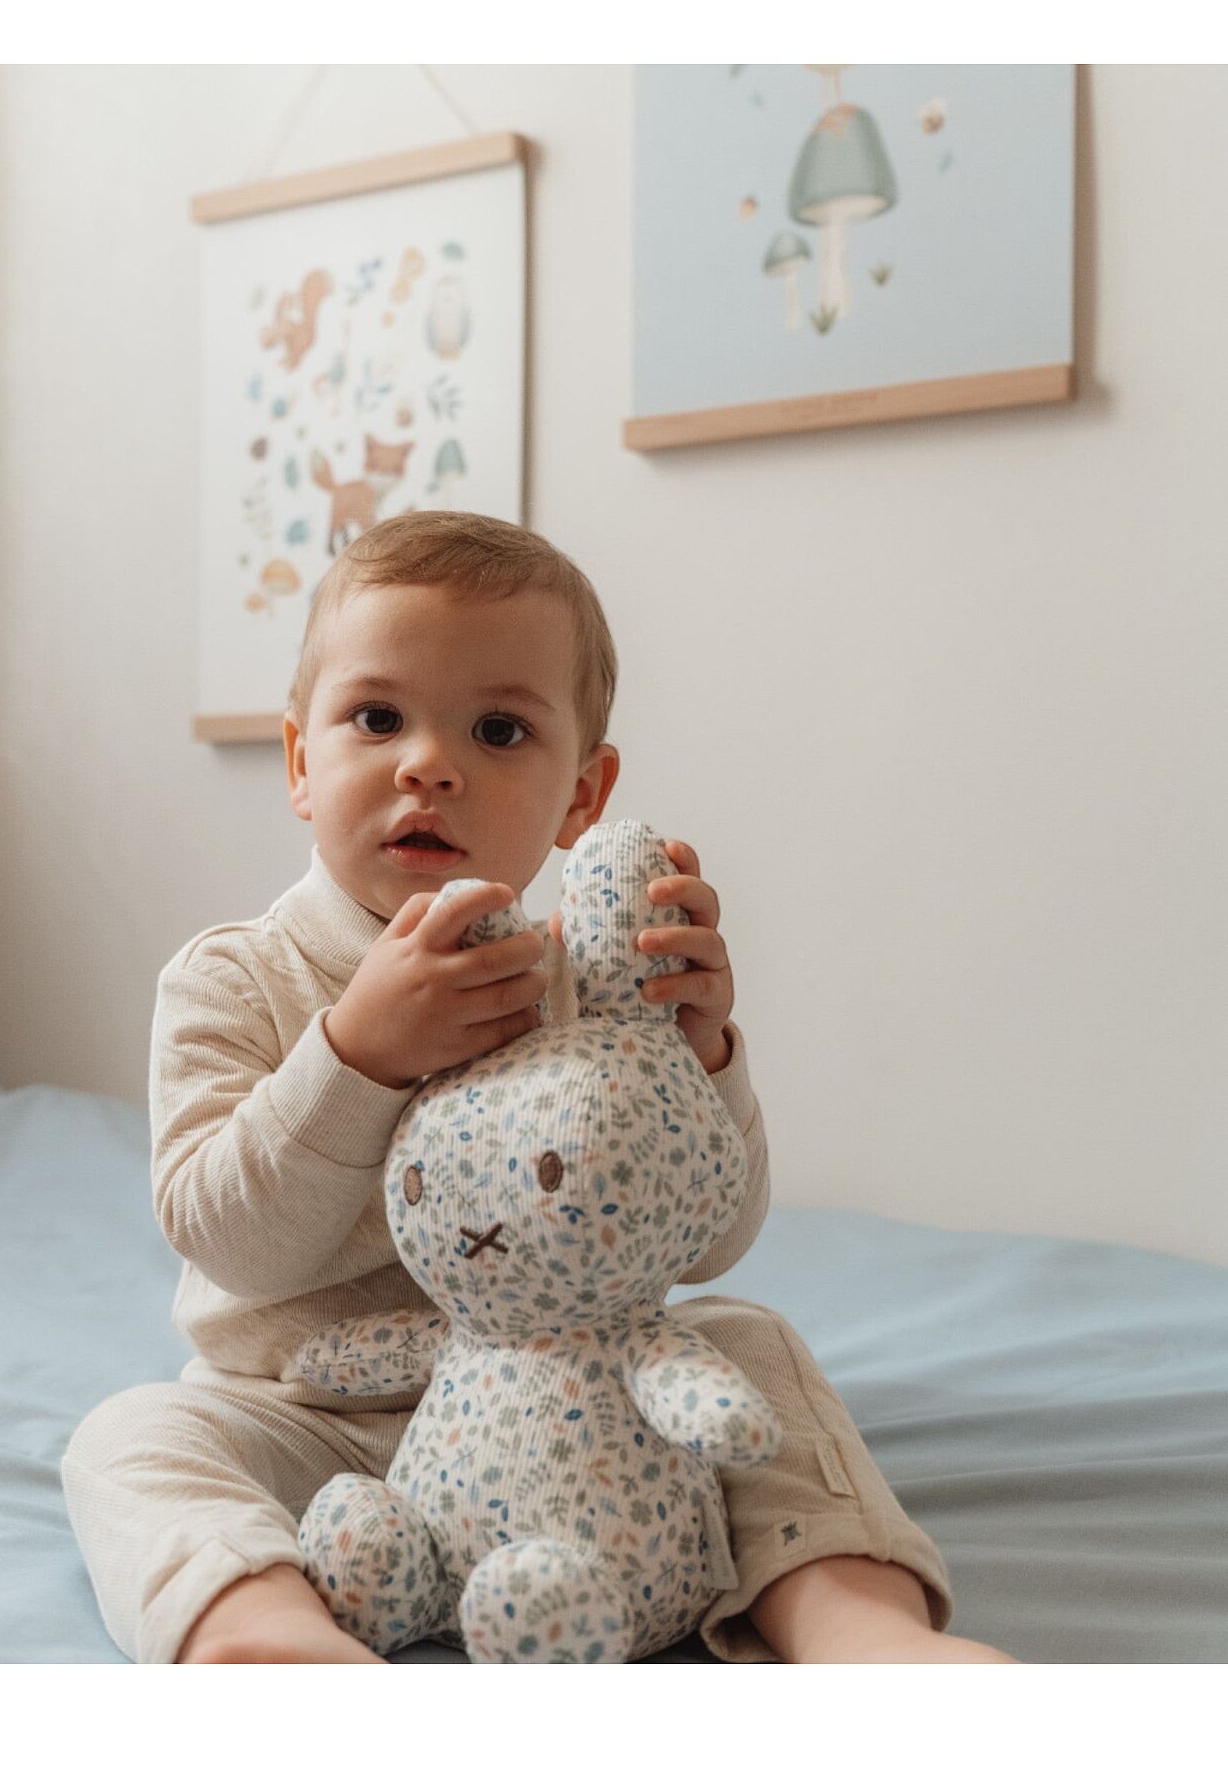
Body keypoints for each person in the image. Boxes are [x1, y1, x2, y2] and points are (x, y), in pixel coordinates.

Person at [63, 512, 1010, 1664]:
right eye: (376, 718)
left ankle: (849, 1612)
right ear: (303, 763)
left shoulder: (594, 986)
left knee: (748, 1343)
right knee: (131, 1439)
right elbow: (229, 1238)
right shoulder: (235, 977)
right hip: (316, 1420)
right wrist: (356, 1055)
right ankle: (261, 1632)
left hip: (578, 1417)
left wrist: (704, 1058)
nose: (428, 762)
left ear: (581, 797)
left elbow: (708, 1246)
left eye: (499, 728)